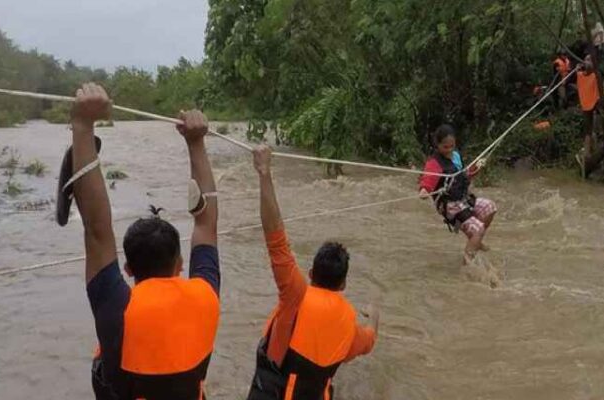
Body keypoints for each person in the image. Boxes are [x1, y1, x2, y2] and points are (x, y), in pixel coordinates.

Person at [68, 83, 221, 399]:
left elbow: (97, 231)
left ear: (127, 269)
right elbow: (206, 222)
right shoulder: (205, 295)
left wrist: (82, 126)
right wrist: (196, 144)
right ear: (179, 264)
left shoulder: (118, 308)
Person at [247, 144, 380, 400]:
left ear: (310, 273)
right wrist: (374, 317)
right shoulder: (349, 324)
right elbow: (369, 341)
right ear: (343, 285)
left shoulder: (294, 295)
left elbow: (275, 236)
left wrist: (264, 173)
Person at [418, 124, 497, 265]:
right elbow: (427, 181)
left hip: (464, 199)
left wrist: (475, 168)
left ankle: (475, 240)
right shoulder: (433, 163)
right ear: (437, 145)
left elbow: (464, 176)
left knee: (490, 207)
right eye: (445, 147)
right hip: (450, 207)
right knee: (478, 229)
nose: (449, 150)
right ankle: (467, 266)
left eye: (452, 146)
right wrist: (424, 191)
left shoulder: (456, 156)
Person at [576, 55, 604, 163]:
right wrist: (579, 68)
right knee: (588, 129)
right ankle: (587, 153)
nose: (587, 62)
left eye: (590, 60)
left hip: (597, 102)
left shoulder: (597, 74)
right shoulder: (580, 75)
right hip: (586, 104)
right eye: (586, 59)